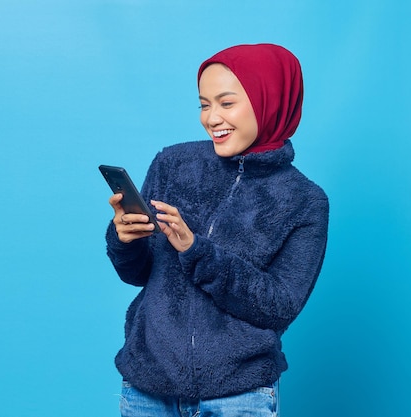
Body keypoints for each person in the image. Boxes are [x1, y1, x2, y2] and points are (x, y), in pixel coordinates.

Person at [104, 43, 329, 417]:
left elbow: (279, 307)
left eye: (226, 103)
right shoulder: (172, 163)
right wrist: (125, 240)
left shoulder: (305, 201)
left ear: (269, 101)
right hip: (147, 386)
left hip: (238, 395)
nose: (211, 118)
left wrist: (196, 250)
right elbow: (138, 274)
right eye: (204, 104)